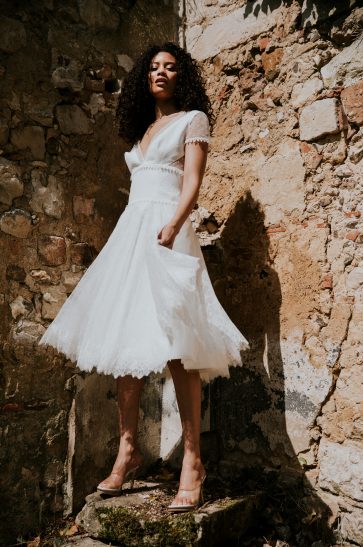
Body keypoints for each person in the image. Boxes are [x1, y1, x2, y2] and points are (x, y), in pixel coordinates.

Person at [38, 41, 250, 512]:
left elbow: (192, 180)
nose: (161, 73)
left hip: (166, 230)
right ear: (144, 77)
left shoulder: (192, 119)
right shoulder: (143, 131)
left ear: (182, 76)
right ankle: (128, 449)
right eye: (154, 67)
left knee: (179, 344)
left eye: (170, 67)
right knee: (123, 343)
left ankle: (193, 460)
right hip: (132, 232)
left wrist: (175, 224)